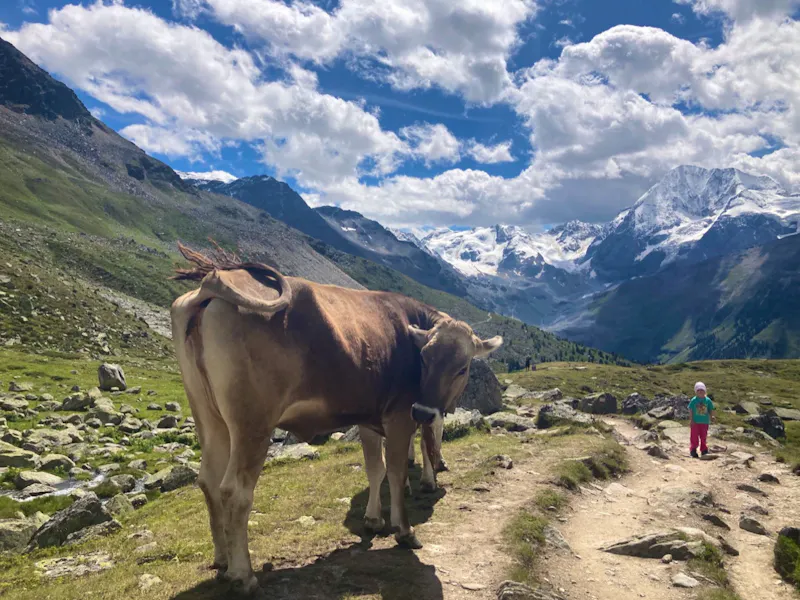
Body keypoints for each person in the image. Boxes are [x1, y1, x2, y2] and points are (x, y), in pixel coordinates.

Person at [688, 382, 714, 458]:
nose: (700, 392)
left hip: (704, 422)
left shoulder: (708, 400)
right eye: (698, 390)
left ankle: (704, 450)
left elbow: (711, 409)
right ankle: (693, 450)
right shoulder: (693, 400)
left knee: (703, 436)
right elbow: (690, 410)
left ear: (705, 391)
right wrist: (691, 420)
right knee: (694, 436)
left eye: (702, 390)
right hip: (695, 422)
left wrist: (712, 416)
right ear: (696, 391)